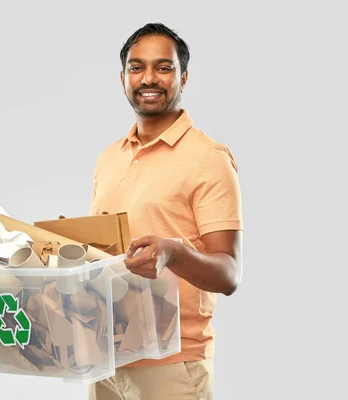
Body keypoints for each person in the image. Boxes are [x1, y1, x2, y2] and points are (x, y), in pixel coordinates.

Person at [88, 22, 244, 400]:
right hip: (105, 356)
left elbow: (229, 274)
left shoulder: (208, 159)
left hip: (172, 365)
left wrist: (174, 252)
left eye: (163, 67)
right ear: (123, 77)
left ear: (183, 76)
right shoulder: (109, 159)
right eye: (136, 67)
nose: (149, 78)